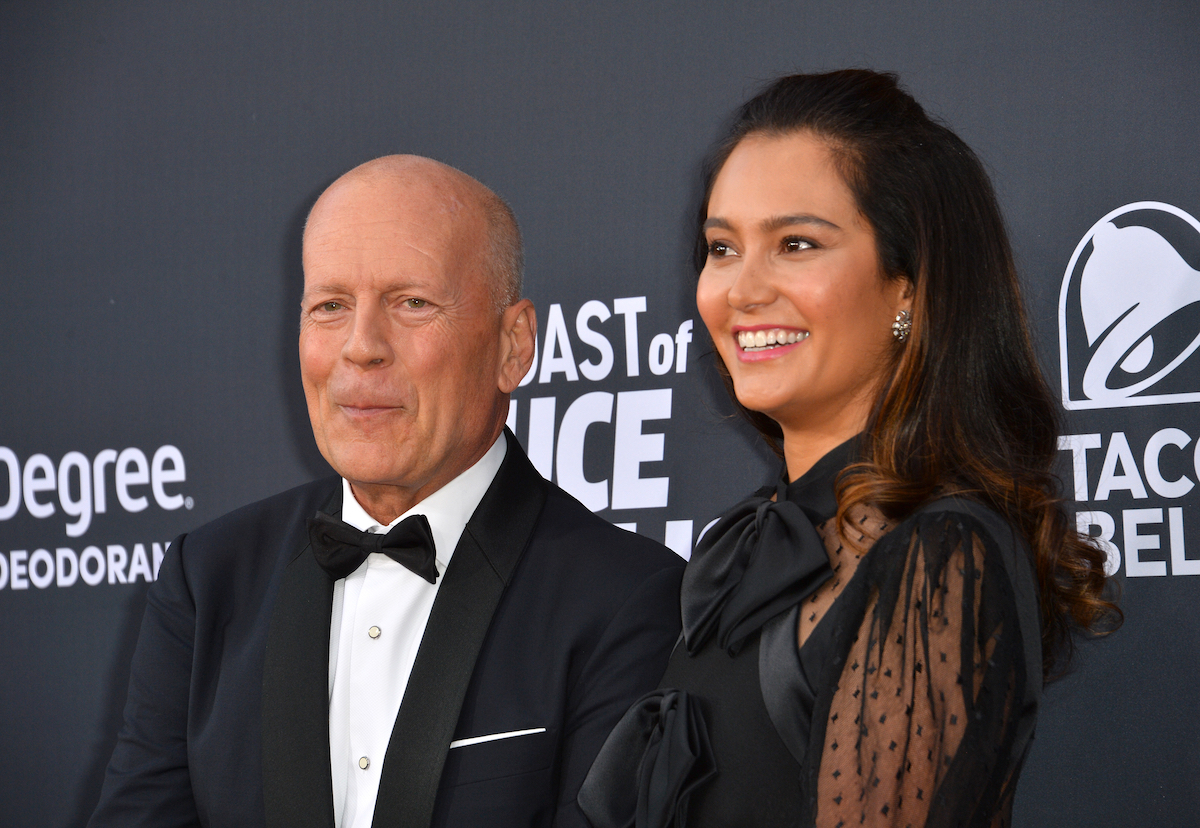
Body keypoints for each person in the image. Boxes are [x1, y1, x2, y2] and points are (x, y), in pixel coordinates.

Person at [579, 70, 1120, 828]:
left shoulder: (936, 552)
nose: (740, 289)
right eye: (722, 247)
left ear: (908, 286)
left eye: (796, 244)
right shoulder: (755, 546)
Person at [89, 155, 684, 828]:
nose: (361, 347)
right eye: (330, 307)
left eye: (412, 303)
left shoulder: (625, 599)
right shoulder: (209, 579)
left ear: (513, 346)